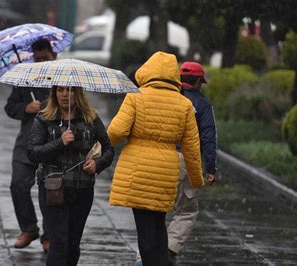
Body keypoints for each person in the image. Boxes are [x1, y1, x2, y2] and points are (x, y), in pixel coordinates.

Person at [107, 52, 204, 266]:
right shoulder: (184, 104)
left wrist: (102, 149)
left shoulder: (135, 95)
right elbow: (191, 147)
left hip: (137, 170)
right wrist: (197, 179)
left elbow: (116, 132)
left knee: (145, 230)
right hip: (166, 171)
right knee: (159, 224)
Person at [26, 85, 114, 265]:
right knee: (58, 242)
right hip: (53, 188)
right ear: (54, 93)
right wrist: (60, 142)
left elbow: (109, 149)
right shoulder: (45, 118)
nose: (65, 94)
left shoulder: (91, 118)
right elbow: (33, 153)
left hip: (82, 188)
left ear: (78, 93)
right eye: (60, 90)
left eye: (70, 90)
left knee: (73, 243)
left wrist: (97, 164)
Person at [4, 38, 57, 252]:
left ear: (53, 55)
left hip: (53, 142)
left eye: (45, 57)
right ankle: (29, 228)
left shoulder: (61, 77)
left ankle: (50, 235)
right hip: (26, 142)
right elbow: (10, 107)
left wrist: (47, 107)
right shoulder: (24, 77)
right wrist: (26, 107)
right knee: (18, 184)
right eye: (37, 58)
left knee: (51, 192)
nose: (41, 60)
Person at [166, 62, 217, 265]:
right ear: (197, 82)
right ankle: (170, 248)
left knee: (154, 211)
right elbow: (209, 138)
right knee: (187, 210)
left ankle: (145, 255)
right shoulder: (202, 105)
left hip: (162, 158)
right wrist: (210, 168)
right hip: (187, 160)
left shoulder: (168, 98)